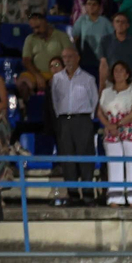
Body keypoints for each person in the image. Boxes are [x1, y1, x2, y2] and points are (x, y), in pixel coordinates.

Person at [51, 48, 99, 206]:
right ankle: (73, 195)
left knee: (85, 158)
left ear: (78, 58)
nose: (67, 60)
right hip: (64, 121)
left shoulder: (88, 78)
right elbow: (55, 100)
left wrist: (86, 118)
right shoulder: (57, 78)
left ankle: (88, 195)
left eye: (70, 56)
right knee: (67, 158)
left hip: (83, 120)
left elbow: (94, 100)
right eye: (64, 57)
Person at [99, 60, 132, 207]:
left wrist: (118, 124)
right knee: (114, 163)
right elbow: (99, 111)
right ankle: (115, 198)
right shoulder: (106, 92)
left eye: (121, 70)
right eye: (115, 70)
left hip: (130, 128)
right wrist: (108, 125)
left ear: (127, 75)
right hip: (111, 129)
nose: (118, 73)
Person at [17, 13, 72, 102]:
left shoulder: (61, 36)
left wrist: (59, 73)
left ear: (45, 23)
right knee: (23, 84)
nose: (36, 31)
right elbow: (26, 60)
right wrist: (37, 75)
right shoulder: (30, 39)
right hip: (36, 73)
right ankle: (29, 111)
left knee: (55, 84)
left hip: (57, 72)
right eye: (33, 28)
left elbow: (69, 57)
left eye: (38, 27)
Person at [100, 12, 132, 92]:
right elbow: (103, 66)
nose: (120, 24)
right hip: (111, 83)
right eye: (117, 21)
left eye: (123, 22)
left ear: (128, 25)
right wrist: (101, 88)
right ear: (113, 24)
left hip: (131, 82)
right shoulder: (105, 41)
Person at [70, 0, 110, 74]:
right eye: (89, 4)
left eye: (94, 4)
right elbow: (75, 36)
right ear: (85, 7)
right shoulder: (81, 20)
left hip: (101, 58)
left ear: (99, 7)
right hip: (85, 58)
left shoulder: (105, 21)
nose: (91, 7)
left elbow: (112, 38)